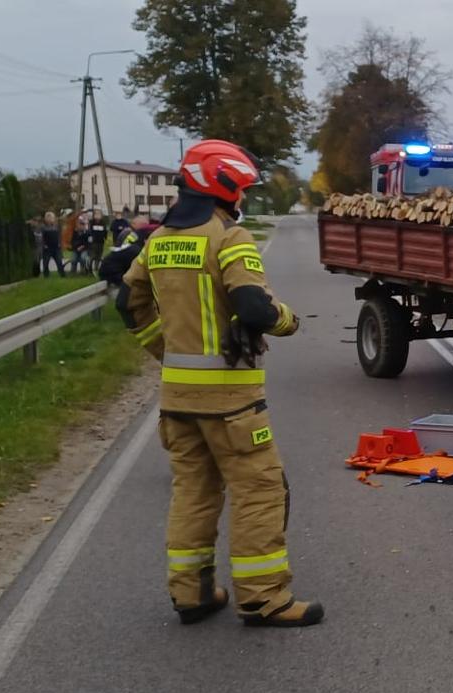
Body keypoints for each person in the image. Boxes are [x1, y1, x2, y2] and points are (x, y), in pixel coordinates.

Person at [119, 139, 319, 628]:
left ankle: (193, 593)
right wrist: (289, 321)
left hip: (177, 398)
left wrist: (166, 352)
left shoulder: (159, 239)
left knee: (194, 491)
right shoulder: (229, 237)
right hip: (231, 403)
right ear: (223, 184)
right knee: (259, 490)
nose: (243, 199)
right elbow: (254, 307)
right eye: (241, 189)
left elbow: (129, 304)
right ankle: (264, 598)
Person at [38, 212, 64, 277]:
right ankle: (46, 275)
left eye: (52, 218)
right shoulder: (43, 227)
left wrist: (60, 243)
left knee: (59, 262)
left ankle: (62, 274)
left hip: (56, 247)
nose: (50, 220)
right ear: (46, 219)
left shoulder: (56, 227)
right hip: (47, 248)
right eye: (48, 218)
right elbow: (41, 238)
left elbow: (59, 236)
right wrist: (44, 245)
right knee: (46, 263)